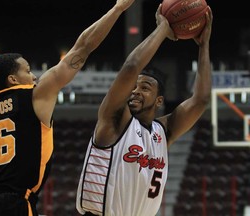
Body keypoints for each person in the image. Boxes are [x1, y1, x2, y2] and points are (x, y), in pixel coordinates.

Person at [0, 0, 135, 215]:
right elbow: (83, 47)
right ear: (13, 79)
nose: (34, 75)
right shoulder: (36, 95)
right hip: (13, 205)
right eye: (27, 70)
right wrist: (117, 8)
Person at [76, 4, 213, 216]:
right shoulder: (114, 119)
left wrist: (204, 45)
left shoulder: (162, 133)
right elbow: (131, 67)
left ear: (159, 101)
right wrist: (163, 29)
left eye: (145, 87)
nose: (135, 91)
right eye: (134, 86)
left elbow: (201, 100)